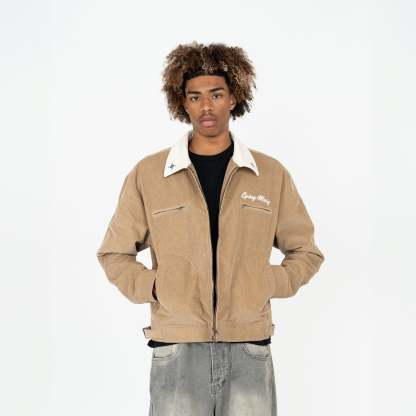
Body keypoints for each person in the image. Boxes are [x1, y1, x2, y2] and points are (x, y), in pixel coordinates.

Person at [96, 41, 325, 415]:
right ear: (182, 103)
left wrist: (266, 281)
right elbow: (114, 253)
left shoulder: (270, 175)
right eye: (195, 96)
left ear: (233, 98)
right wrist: (156, 286)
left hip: (249, 346)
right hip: (176, 347)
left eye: (216, 94)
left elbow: (306, 252)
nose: (206, 106)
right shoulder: (149, 175)